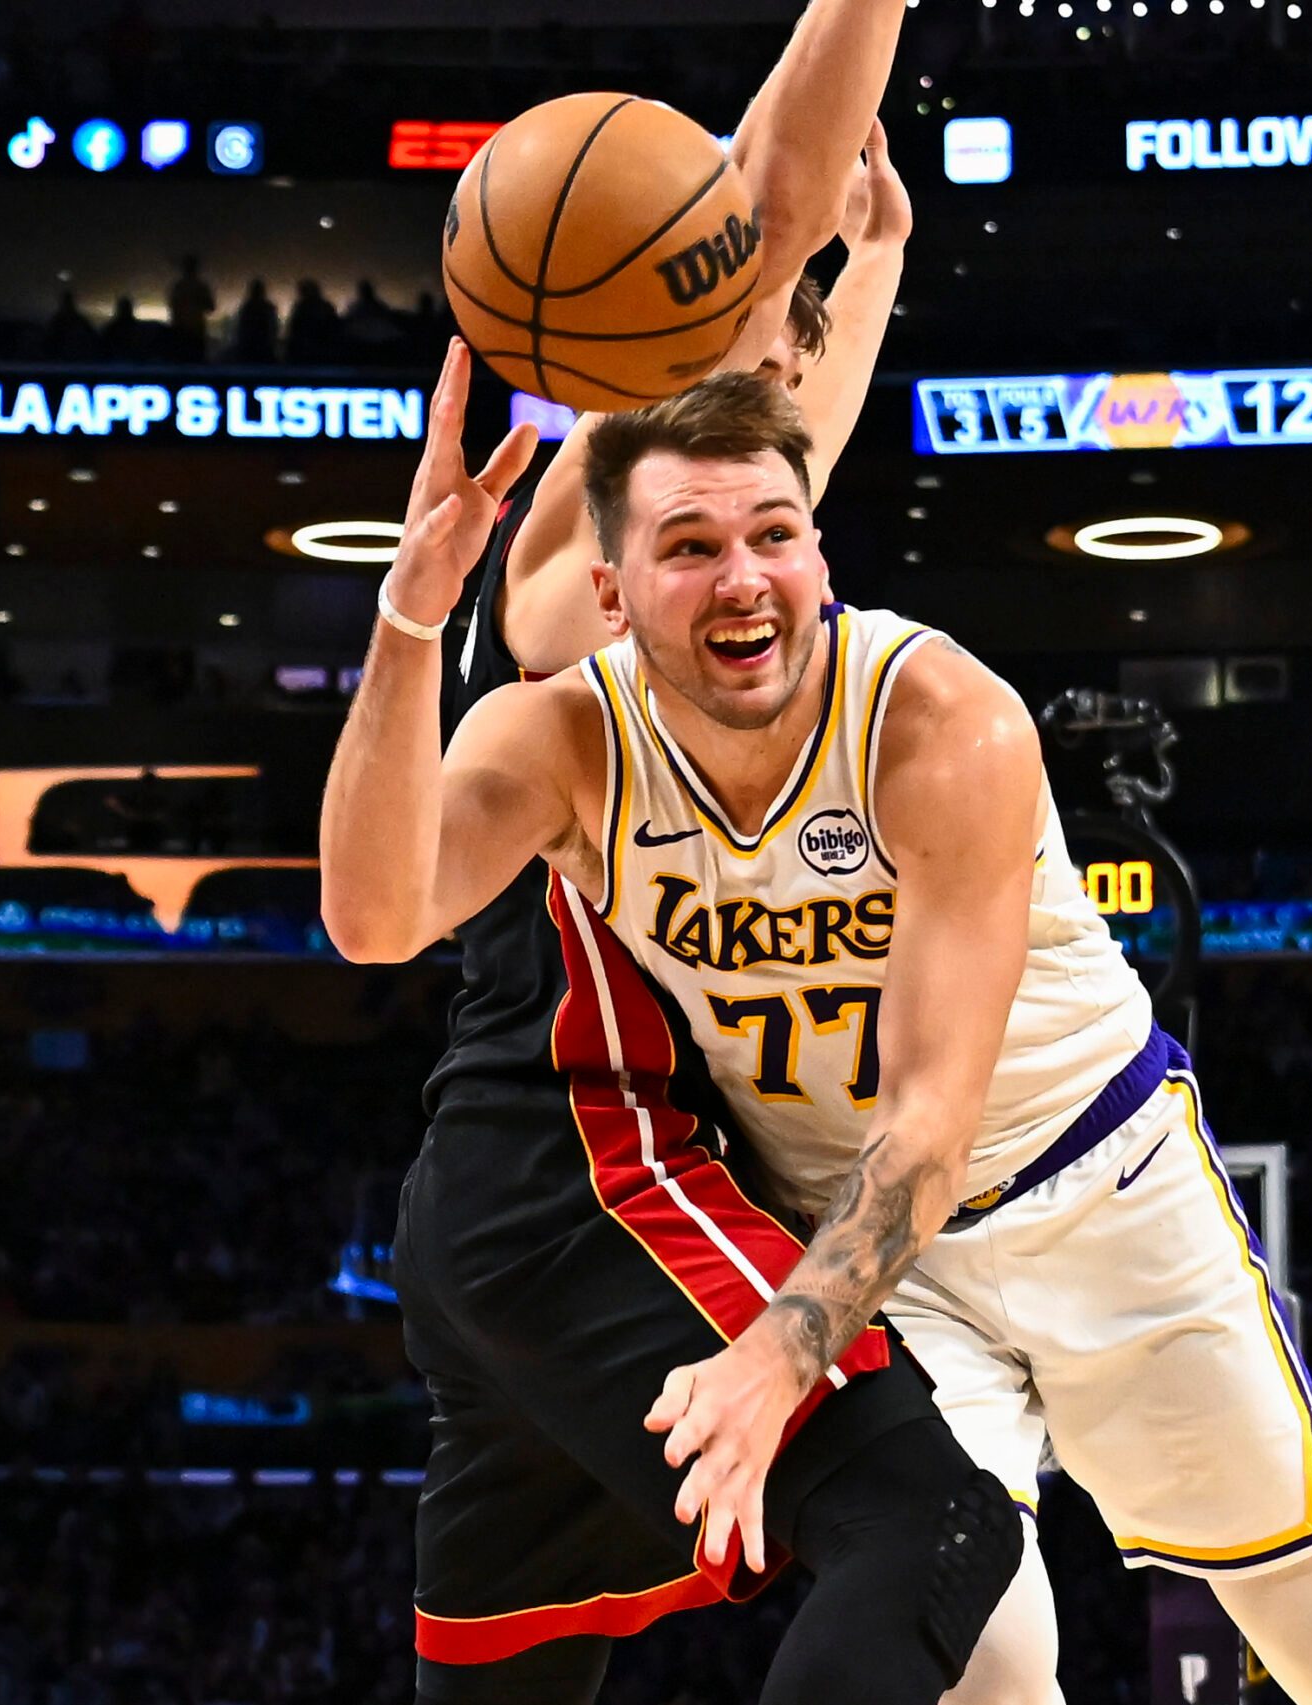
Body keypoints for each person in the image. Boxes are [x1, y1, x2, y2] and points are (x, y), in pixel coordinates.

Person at [324, 399, 1312, 1704]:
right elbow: (373, 915)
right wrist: (412, 616)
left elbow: (932, 1120)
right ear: (612, 587)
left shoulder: (942, 721)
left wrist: (775, 1352)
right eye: (691, 544)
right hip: (874, 1243)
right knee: (977, 1651)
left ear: (820, 557)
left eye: (774, 532)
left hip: (1091, 1187)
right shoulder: (567, 745)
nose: (744, 574)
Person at [314, 7, 1017, 1701]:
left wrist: (853, 278)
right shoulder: (582, 572)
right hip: (586, 1163)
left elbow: (792, 407)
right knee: (938, 1526)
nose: (750, 555)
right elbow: (771, 203)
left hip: (488, 1195)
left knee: (518, 1674)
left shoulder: (696, 533)